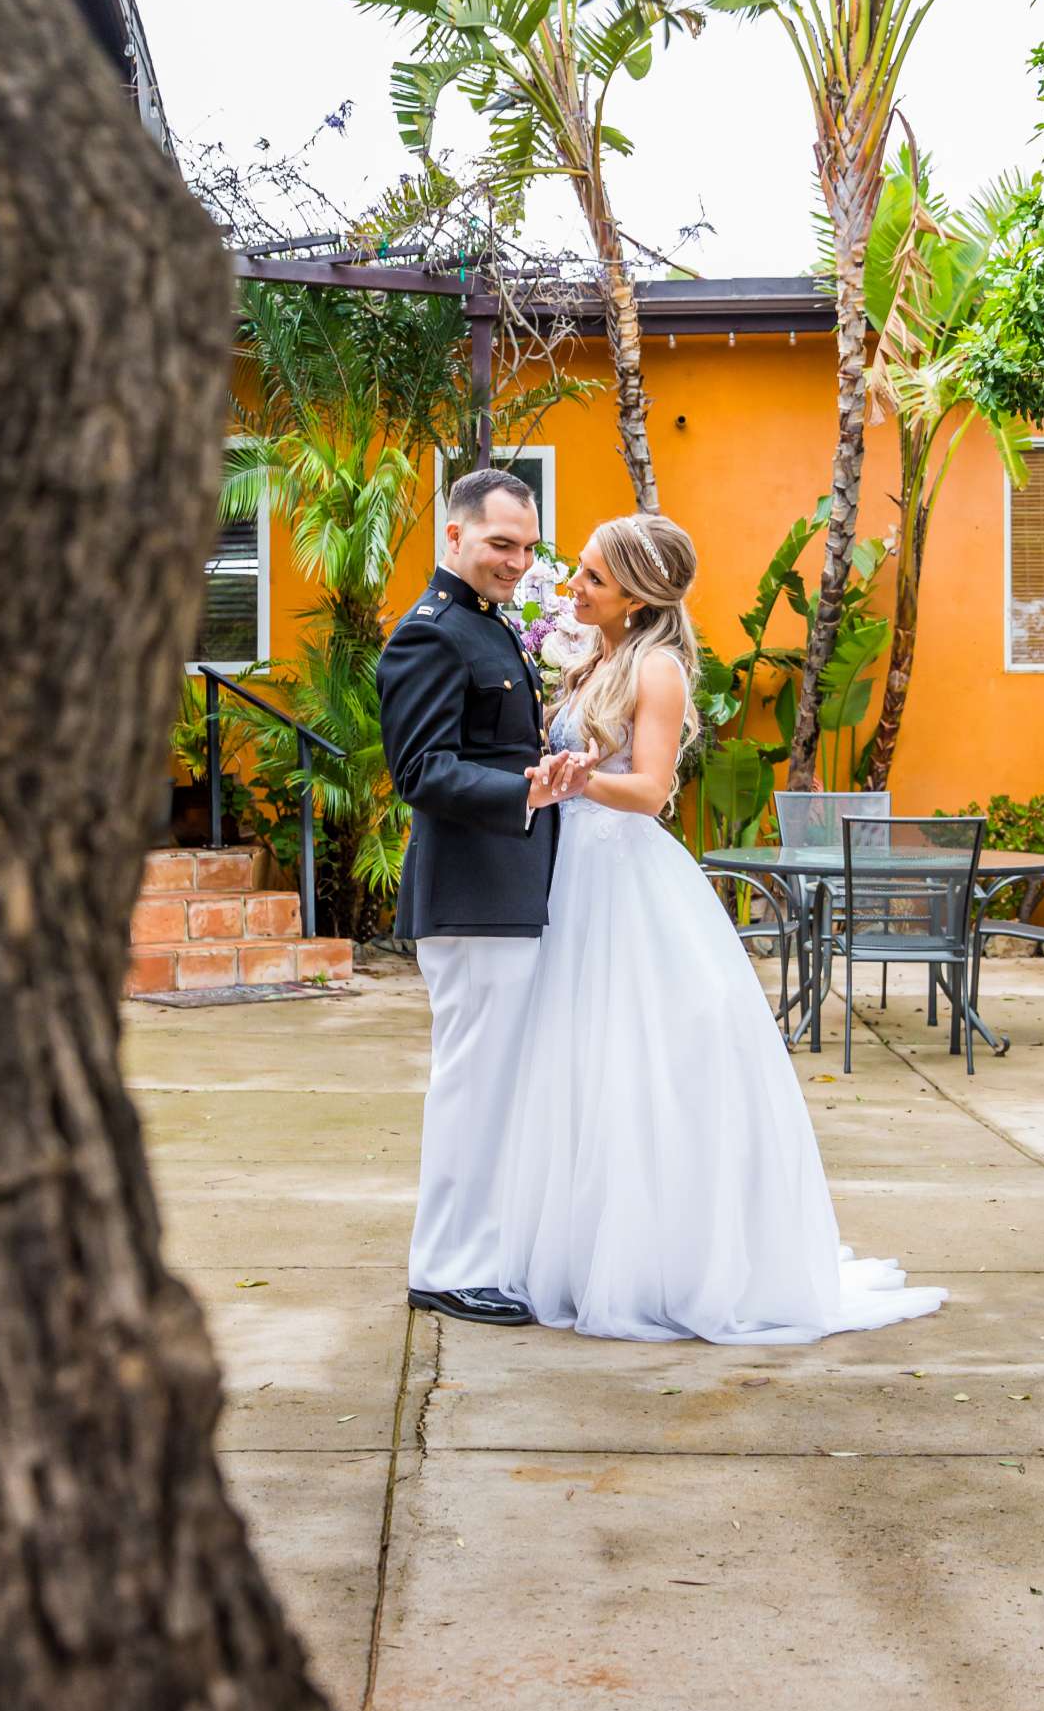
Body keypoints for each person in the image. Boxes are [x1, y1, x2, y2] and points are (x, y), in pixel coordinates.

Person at [497, 512, 947, 1345]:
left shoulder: (656, 669)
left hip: (625, 880)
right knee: (583, 1062)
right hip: (575, 880)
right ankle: (583, 1248)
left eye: (591, 576)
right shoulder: (595, 660)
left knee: (644, 1065)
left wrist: (573, 783)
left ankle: (661, 1263)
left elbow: (651, 791)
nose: (574, 586)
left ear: (635, 592)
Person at [376, 469, 593, 1327]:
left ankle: (485, 1252)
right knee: (472, 1082)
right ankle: (446, 1265)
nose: (517, 561)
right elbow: (420, 770)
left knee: (501, 1082)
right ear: (455, 536)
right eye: (502, 544)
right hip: (472, 894)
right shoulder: (430, 636)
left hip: (508, 890)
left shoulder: (490, 628)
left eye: (528, 546)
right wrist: (525, 795)